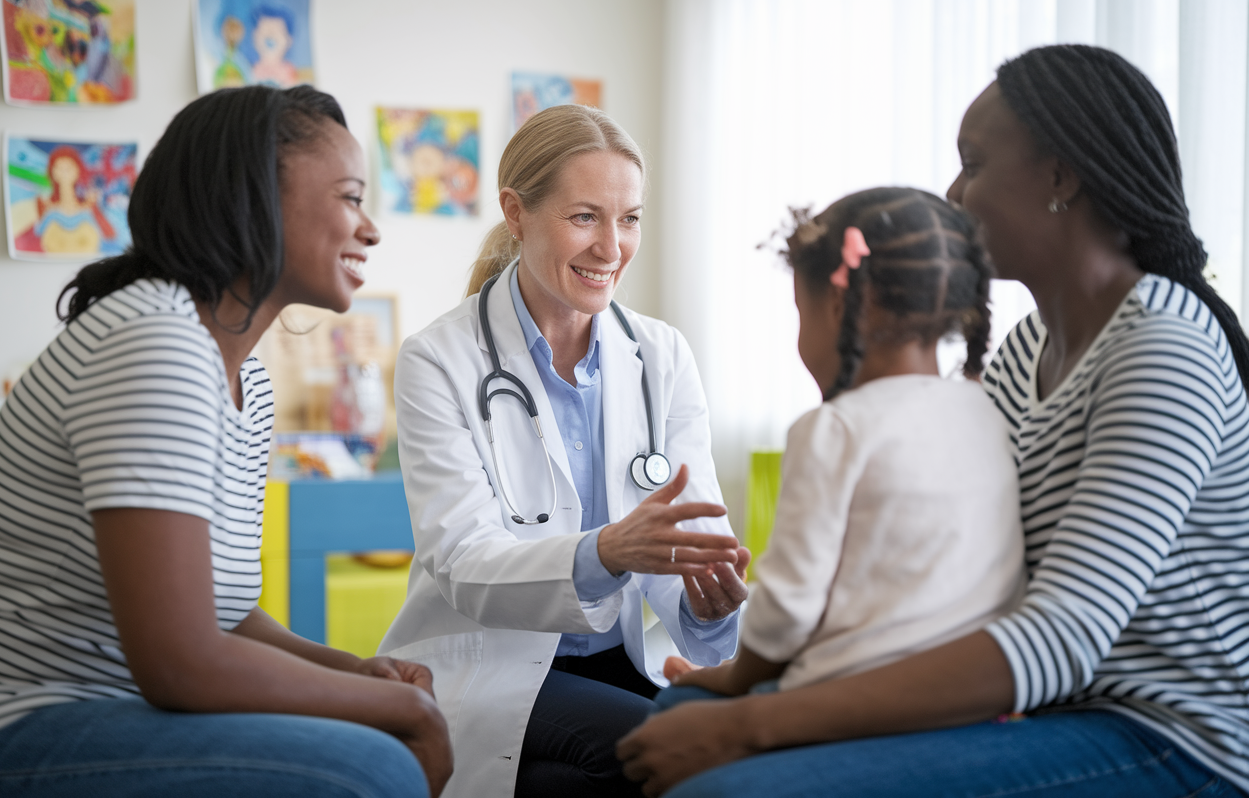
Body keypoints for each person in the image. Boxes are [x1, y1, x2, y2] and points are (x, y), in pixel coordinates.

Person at [617, 44, 1249, 798]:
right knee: (677, 704)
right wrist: (760, 683)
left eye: (973, 163)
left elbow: (1063, 638)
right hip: (1047, 707)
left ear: (1060, 176)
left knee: (724, 787)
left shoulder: (1162, 349)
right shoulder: (1026, 351)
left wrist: (753, 722)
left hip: (1168, 737)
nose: (953, 192)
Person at [0, 85, 451, 797]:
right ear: (255, 196)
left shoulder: (243, 381)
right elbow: (181, 663)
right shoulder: (154, 343)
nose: (371, 229)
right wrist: (399, 707)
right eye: (351, 198)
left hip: (122, 707)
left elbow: (222, 615)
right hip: (18, 721)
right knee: (372, 766)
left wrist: (352, 670)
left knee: (375, 734)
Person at [379, 104, 750, 798]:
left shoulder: (661, 356)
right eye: (585, 217)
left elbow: (687, 537)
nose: (612, 246)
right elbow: (462, 560)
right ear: (516, 213)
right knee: (655, 756)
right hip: (486, 660)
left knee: (578, 780)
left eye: (630, 218)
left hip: (621, 660)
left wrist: (710, 603)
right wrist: (606, 551)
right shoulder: (439, 359)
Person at [653, 188, 1025, 712]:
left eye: (800, 313)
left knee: (668, 709)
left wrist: (728, 680)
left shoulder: (834, 430)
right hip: (967, 691)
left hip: (850, 691)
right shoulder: (984, 410)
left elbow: (786, 610)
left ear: (838, 304)